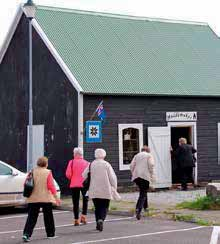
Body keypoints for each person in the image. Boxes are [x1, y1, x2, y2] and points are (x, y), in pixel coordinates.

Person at [22, 157, 60, 242]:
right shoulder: (48, 172)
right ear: (46, 164)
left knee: (31, 217)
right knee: (48, 217)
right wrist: (56, 198)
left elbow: (26, 183)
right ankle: (50, 234)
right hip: (45, 198)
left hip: (33, 198)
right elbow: (51, 186)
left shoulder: (32, 171)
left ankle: (26, 234)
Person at [82, 148, 118, 232]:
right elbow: (112, 177)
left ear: (95, 155)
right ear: (104, 155)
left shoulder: (91, 164)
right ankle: (101, 219)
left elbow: (83, 175)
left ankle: (98, 222)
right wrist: (114, 187)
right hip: (106, 189)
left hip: (94, 189)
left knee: (97, 207)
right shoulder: (106, 164)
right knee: (105, 206)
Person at [130, 145, 155, 220]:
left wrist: (133, 173)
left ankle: (146, 207)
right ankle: (138, 209)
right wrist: (151, 174)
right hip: (145, 176)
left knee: (143, 191)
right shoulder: (149, 156)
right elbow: (151, 165)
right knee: (143, 193)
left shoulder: (136, 155)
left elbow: (131, 166)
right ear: (148, 150)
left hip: (136, 176)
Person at [66, 147, 90, 226]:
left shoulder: (71, 162)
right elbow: (89, 174)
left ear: (75, 154)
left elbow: (68, 174)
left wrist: (73, 178)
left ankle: (76, 219)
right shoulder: (87, 163)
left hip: (74, 184)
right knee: (85, 200)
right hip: (84, 184)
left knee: (75, 202)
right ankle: (83, 216)